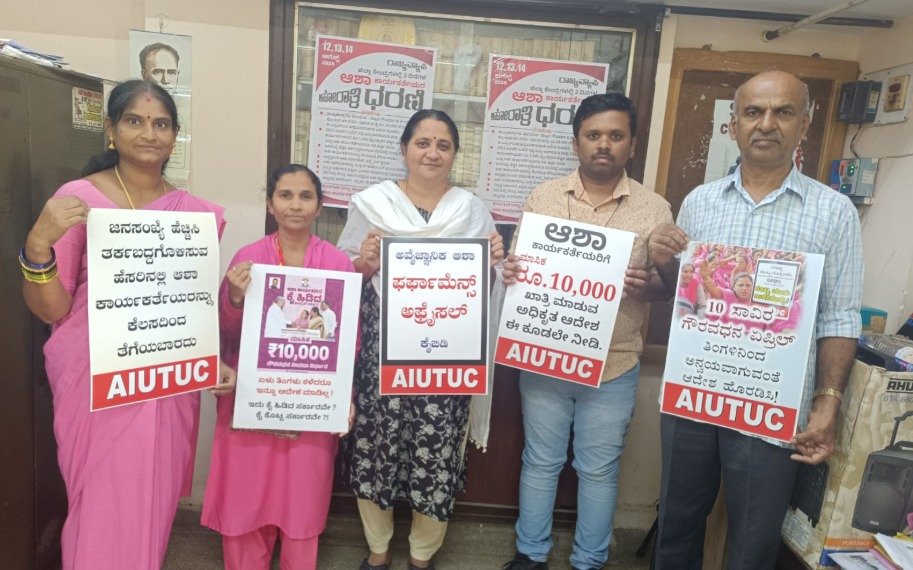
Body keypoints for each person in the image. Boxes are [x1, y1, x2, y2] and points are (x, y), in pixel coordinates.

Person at [649, 70, 863, 569]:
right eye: (753, 112)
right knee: (677, 524)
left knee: (753, 540)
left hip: (771, 407)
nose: (766, 124)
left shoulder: (834, 212)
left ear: (804, 125)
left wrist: (828, 403)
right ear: (733, 125)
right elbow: (683, 295)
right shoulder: (699, 202)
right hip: (694, 397)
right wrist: (661, 258)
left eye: (782, 112)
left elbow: (840, 314)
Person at [20, 79, 230, 569]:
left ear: (175, 135)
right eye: (134, 120)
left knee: (150, 508)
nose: (149, 133)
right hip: (98, 387)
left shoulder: (192, 215)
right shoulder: (77, 201)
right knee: (101, 509)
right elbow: (51, 309)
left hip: (165, 386)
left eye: (161, 123)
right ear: (111, 130)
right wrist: (37, 245)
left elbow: (185, 307)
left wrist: (207, 358)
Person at [500, 92, 674, 570]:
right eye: (593, 135)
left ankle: (589, 561)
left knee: (598, 471)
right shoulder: (544, 195)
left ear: (631, 144)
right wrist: (511, 270)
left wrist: (652, 283)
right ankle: (531, 555)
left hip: (614, 363)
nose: (604, 144)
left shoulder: (655, 208)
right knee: (541, 462)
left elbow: (668, 287)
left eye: (615, 136)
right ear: (576, 142)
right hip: (545, 356)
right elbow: (521, 268)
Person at [337, 109, 505, 570]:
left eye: (444, 144)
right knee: (378, 443)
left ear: (454, 154)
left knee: (437, 450)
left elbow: (487, 282)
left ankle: (421, 554)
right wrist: (366, 260)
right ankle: (377, 549)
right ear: (404, 149)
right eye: (422, 142)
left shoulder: (471, 210)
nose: (432, 152)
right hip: (381, 347)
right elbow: (346, 276)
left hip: (447, 352)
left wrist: (495, 260)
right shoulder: (372, 203)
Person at [201, 164, 357, 570]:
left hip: (310, 405)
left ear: (319, 206)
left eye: (305, 196)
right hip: (250, 398)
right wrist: (235, 296)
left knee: (301, 502)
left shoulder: (338, 264)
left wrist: (347, 398)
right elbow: (227, 331)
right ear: (270, 204)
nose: (295, 205)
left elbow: (348, 343)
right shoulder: (249, 258)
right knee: (246, 498)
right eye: (285, 195)